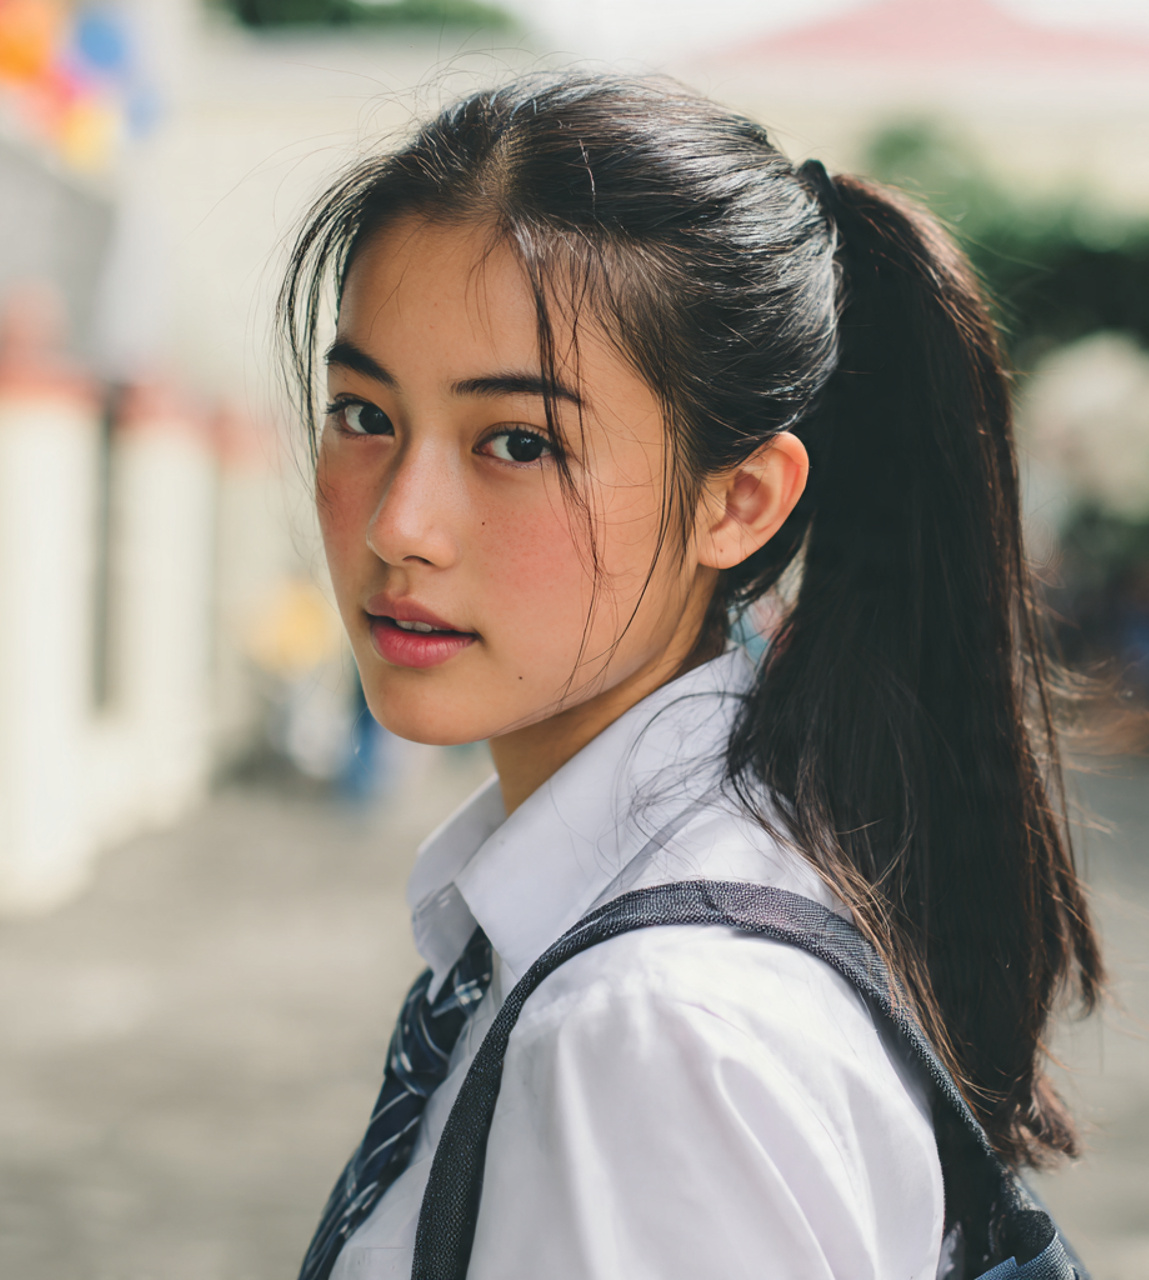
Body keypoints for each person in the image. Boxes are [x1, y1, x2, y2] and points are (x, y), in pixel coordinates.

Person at [280, 74, 1103, 1280]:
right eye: (363, 412)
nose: (400, 522)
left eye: (517, 441)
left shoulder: (648, 1026)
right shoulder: (661, 913)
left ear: (738, 500)